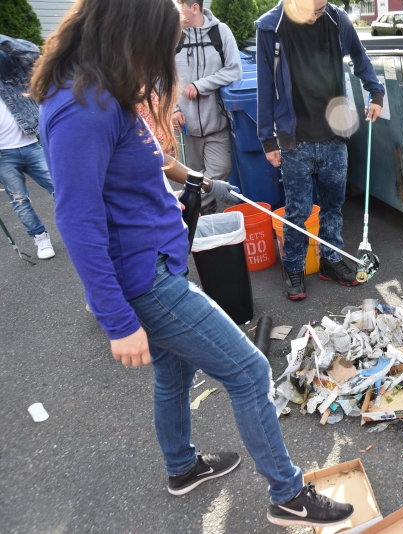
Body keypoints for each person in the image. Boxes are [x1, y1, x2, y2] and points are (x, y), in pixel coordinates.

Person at [32, 0, 354, 527]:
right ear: (128, 33)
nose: (163, 56)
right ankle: (287, 495)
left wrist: (198, 179)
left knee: (173, 373)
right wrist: (118, 322)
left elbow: (147, 159)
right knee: (250, 372)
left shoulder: (106, 89)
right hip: (146, 278)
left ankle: (182, 468)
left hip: (162, 257)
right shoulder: (80, 109)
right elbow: (77, 220)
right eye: (161, 43)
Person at [256, 0, 385, 300]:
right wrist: (267, 139)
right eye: (310, 10)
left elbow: (359, 55)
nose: (316, 16)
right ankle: (294, 266)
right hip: (294, 139)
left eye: (320, 9)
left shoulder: (337, 20)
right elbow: (264, 85)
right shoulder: (270, 28)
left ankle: (330, 258)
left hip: (334, 135)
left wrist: (375, 91)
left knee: (333, 205)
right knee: (298, 211)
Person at [171, 0, 242, 214]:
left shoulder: (221, 32)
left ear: (194, 8)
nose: (175, 8)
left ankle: (195, 209)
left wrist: (200, 86)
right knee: (193, 177)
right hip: (187, 129)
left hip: (217, 124)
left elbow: (234, 70)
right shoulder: (172, 36)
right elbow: (162, 78)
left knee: (219, 170)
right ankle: (203, 220)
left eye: (179, 4)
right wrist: (174, 110)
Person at [0, 35, 55, 260]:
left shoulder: (11, 72)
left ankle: (84, 227)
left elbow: (31, 51)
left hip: (31, 144)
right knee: (20, 200)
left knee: (60, 187)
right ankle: (40, 238)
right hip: (3, 155)